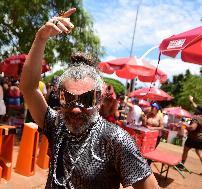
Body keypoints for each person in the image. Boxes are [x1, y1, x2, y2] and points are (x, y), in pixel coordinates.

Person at [19, 8, 159, 189]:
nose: (76, 108)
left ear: (100, 99)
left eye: (86, 99)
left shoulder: (116, 140)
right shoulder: (57, 124)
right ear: (59, 96)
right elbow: (29, 88)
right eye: (67, 98)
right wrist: (41, 38)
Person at [176, 96, 202, 176]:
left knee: (186, 150)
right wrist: (191, 101)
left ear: (197, 111)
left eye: (195, 109)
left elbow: (192, 127)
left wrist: (183, 124)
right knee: (199, 152)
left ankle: (181, 165)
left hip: (193, 138)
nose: (194, 110)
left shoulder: (196, 118)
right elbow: (191, 120)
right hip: (200, 138)